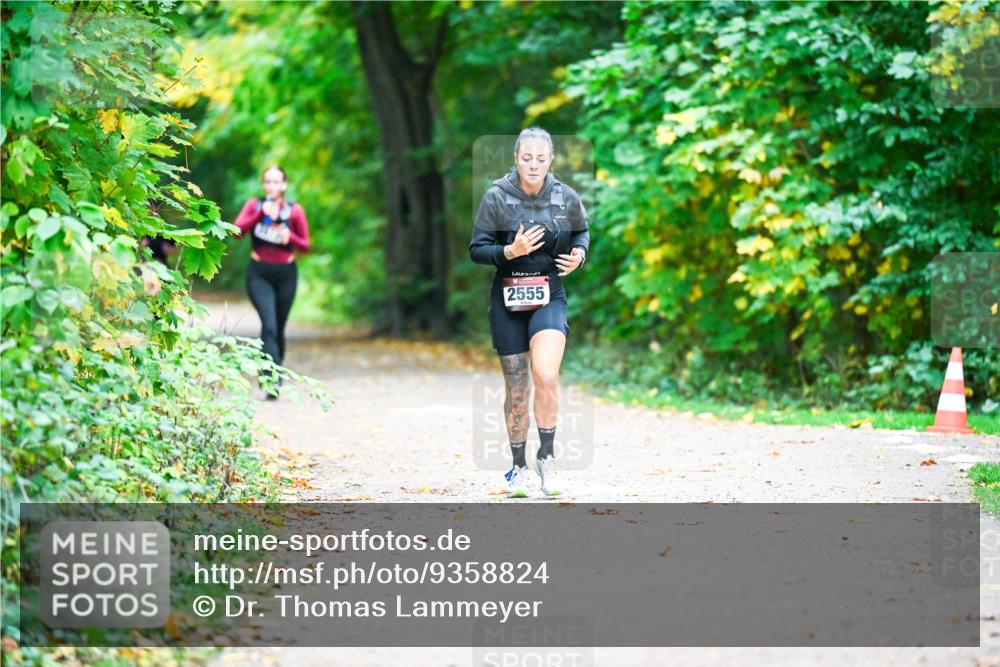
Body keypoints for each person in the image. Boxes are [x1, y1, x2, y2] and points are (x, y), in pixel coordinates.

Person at [469, 127, 590, 497]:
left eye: (540, 158)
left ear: (550, 159)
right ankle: (518, 468)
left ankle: (547, 459)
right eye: (527, 158)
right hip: (508, 298)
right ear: (516, 159)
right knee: (518, 387)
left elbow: (581, 232)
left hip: (549, 293)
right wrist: (511, 251)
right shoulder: (496, 196)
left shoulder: (565, 196)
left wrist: (580, 254)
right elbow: (477, 249)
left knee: (547, 374)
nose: (534, 165)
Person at [233, 165, 311, 399]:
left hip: (286, 274)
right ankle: (271, 381)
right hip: (259, 274)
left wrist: (291, 237)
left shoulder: (294, 211)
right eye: (267, 181)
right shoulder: (254, 205)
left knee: (278, 328)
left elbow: (306, 245)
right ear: (263, 185)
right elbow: (236, 232)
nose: (271, 186)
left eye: (276, 182)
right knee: (269, 325)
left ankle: (275, 370)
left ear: (284, 185)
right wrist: (259, 215)